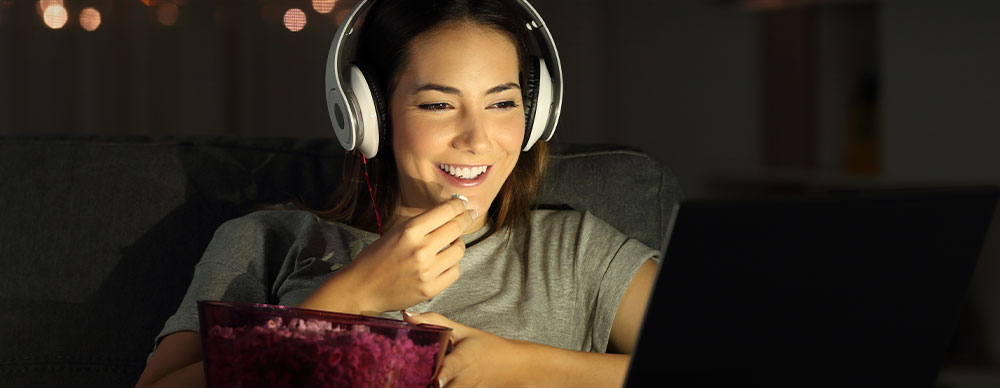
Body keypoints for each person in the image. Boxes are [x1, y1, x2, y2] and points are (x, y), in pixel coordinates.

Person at [135, 0, 658, 386]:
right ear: (369, 117)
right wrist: (351, 297)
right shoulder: (266, 242)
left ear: (535, 113)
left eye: (501, 104)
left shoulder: (576, 252)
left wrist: (521, 364)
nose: (478, 139)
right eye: (437, 105)